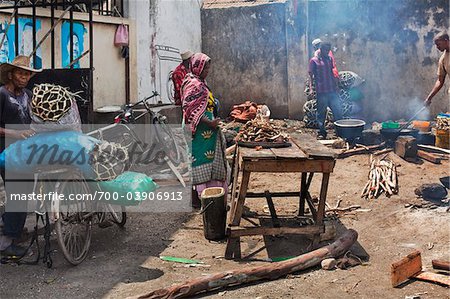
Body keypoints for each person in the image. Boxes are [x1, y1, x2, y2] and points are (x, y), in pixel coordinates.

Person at [0, 55, 41, 258]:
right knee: (17, 193)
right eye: (20, 73)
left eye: (27, 74)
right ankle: (6, 243)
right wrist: (16, 133)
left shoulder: (28, 95)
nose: (24, 77)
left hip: (26, 153)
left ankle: (9, 225)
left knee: (23, 192)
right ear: (10, 74)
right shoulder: (1, 95)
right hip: (6, 152)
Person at [181, 53, 228, 202]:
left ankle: (212, 196)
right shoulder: (194, 84)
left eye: (208, 68)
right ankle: (200, 199)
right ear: (197, 67)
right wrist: (210, 123)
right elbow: (189, 109)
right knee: (198, 162)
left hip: (207, 131)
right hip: (199, 131)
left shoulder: (200, 82)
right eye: (205, 68)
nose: (207, 71)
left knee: (209, 162)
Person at [309, 41, 343, 139]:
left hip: (332, 90)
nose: (327, 52)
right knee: (321, 113)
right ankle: (322, 132)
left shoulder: (329, 59)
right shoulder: (314, 61)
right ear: (320, 49)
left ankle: (339, 131)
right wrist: (311, 89)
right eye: (325, 50)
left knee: (338, 111)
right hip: (321, 91)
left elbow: (332, 73)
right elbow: (311, 76)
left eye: (328, 50)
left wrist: (336, 86)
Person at [424, 31, 449, 106]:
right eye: (436, 45)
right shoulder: (443, 59)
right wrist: (429, 98)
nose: (437, 47)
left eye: (438, 44)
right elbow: (440, 81)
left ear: (446, 41)